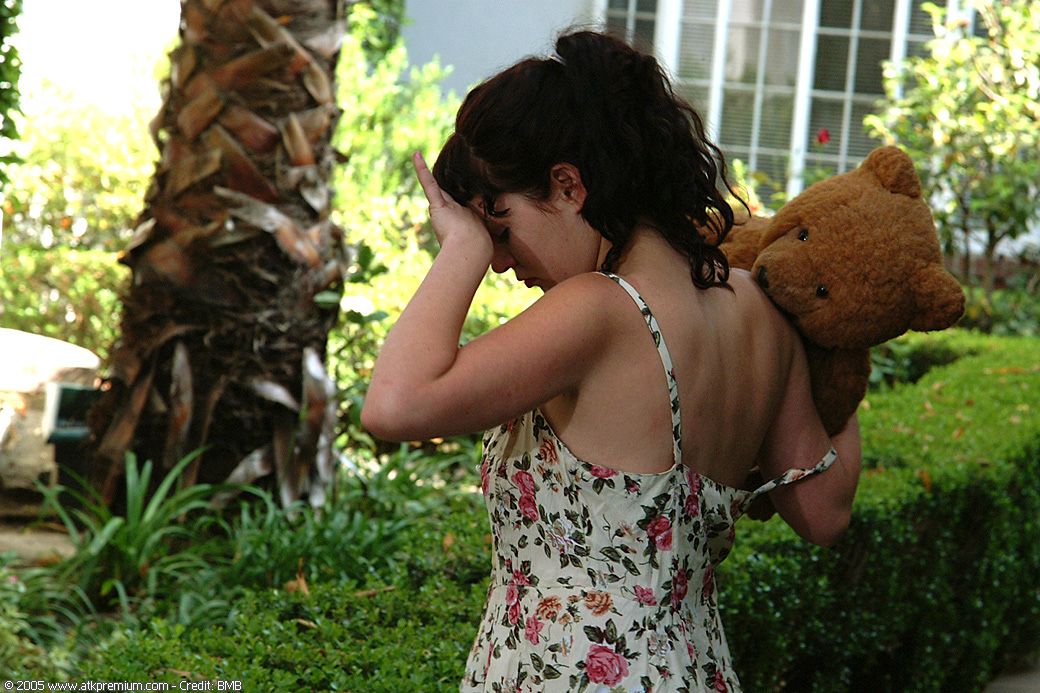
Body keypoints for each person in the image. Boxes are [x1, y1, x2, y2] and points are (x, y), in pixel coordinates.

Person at [361, 29, 861, 693]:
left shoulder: (599, 311)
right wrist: (845, 332)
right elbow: (825, 512)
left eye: (501, 227)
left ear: (568, 185)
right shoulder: (758, 312)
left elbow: (393, 404)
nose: (501, 261)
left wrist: (460, 249)